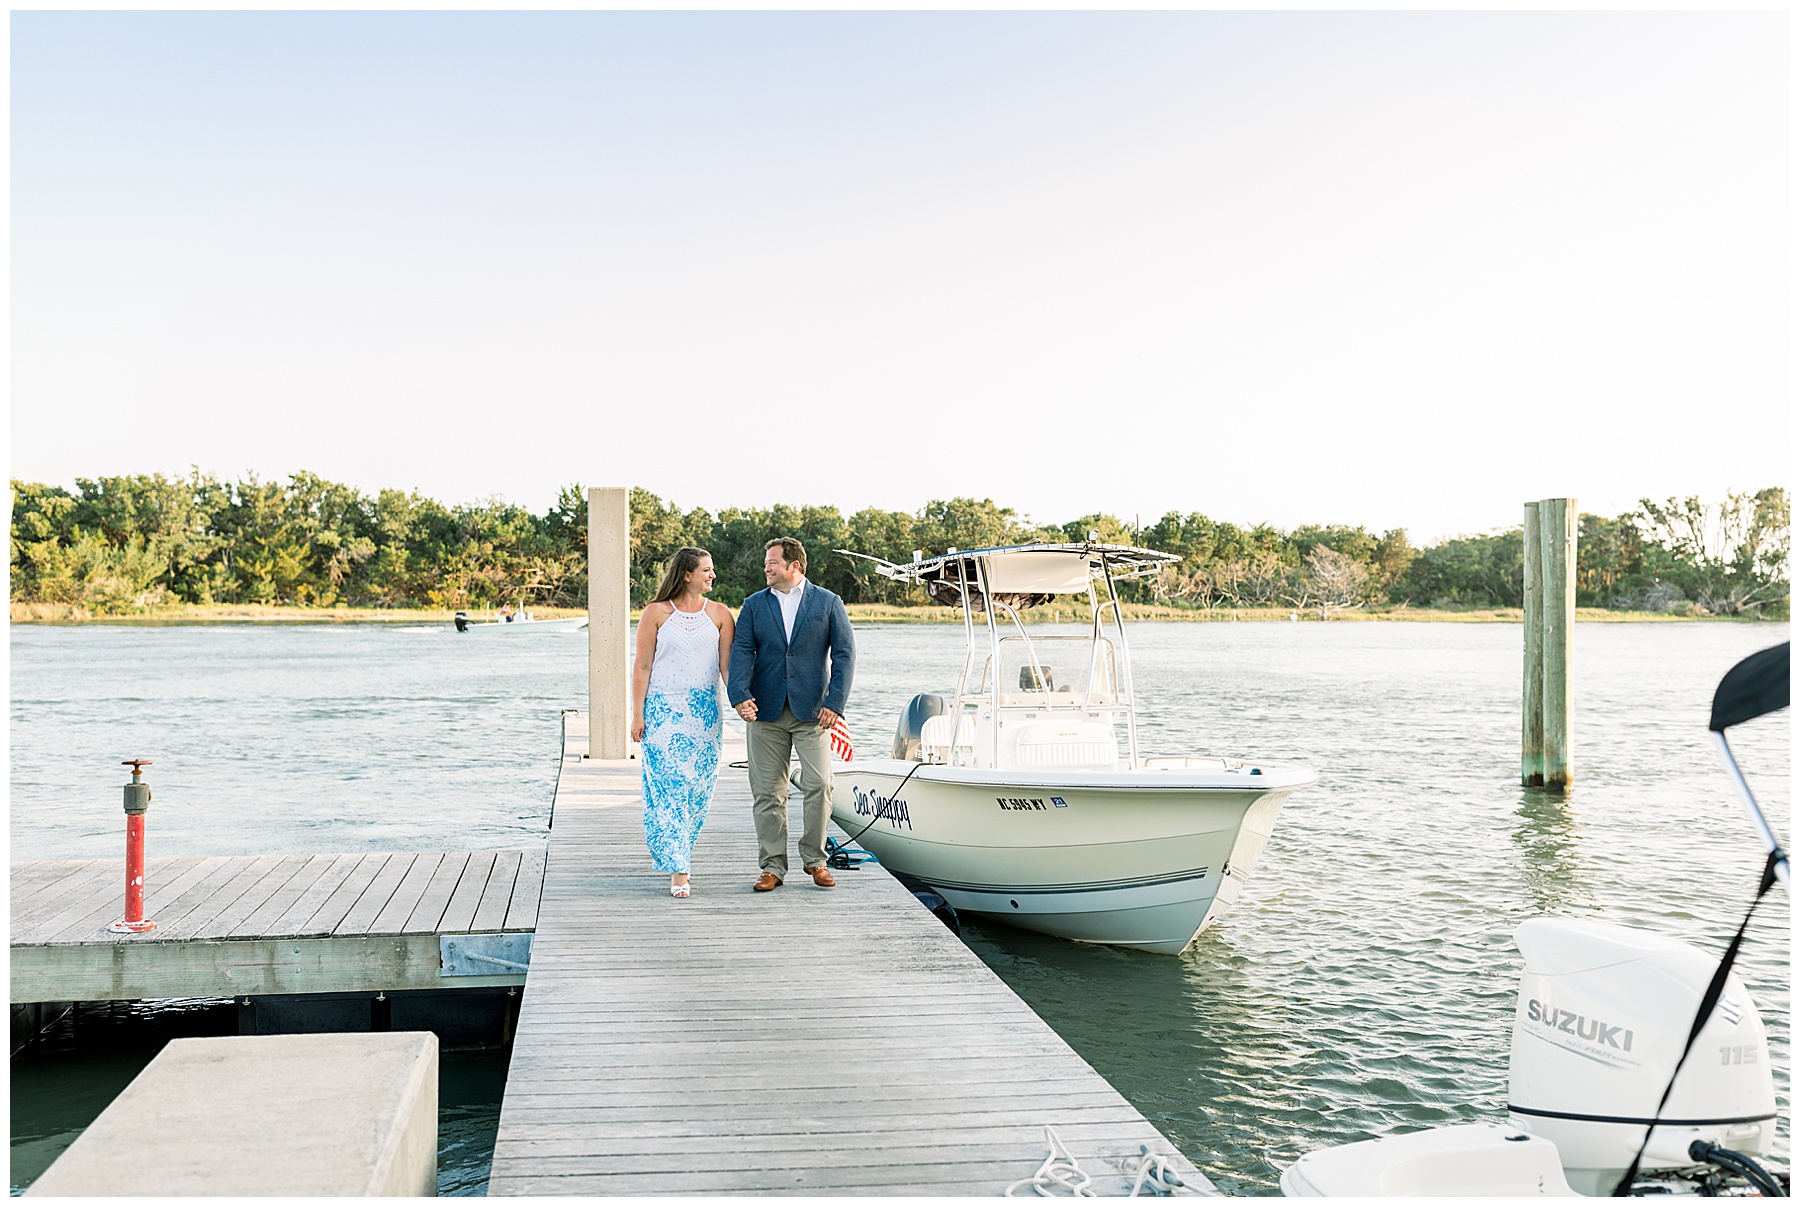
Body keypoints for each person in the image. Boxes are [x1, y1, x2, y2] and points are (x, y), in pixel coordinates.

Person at [728, 537, 855, 891]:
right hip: (764, 712)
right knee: (768, 793)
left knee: (820, 784)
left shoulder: (829, 603)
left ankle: (815, 860)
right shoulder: (754, 605)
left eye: (772, 563)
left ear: (793, 565)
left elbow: (845, 655)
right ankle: (772, 867)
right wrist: (739, 695)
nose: (766, 569)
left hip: (813, 712)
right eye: (767, 563)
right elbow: (741, 651)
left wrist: (835, 703)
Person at [631, 547, 735, 898]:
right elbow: (642, 666)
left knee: (698, 791)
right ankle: (679, 869)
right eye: (706, 570)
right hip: (663, 713)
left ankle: (678, 851)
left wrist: (745, 702)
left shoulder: (721, 615)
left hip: (705, 717)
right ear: (686, 574)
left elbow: (726, 669)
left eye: (712, 569)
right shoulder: (656, 613)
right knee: (670, 788)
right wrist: (637, 713)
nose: (712, 575)